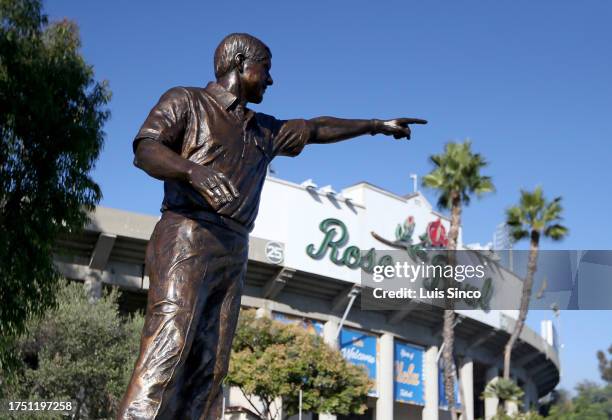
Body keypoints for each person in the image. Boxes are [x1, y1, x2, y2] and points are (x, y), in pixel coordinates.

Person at [118, 32, 427, 420]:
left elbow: (316, 129)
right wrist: (191, 171)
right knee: (170, 344)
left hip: (234, 249)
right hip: (187, 235)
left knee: (211, 364)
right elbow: (146, 149)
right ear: (240, 63)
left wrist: (376, 125)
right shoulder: (187, 100)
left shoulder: (263, 129)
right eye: (266, 68)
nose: (270, 79)